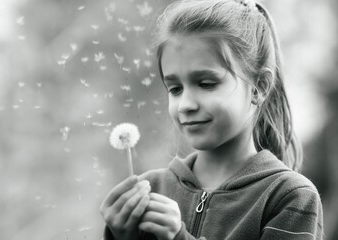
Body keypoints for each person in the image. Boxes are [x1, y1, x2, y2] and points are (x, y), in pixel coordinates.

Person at [100, 0, 324, 239]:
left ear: (259, 87)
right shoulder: (151, 189)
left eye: (206, 84)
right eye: (175, 89)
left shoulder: (289, 197)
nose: (185, 104)